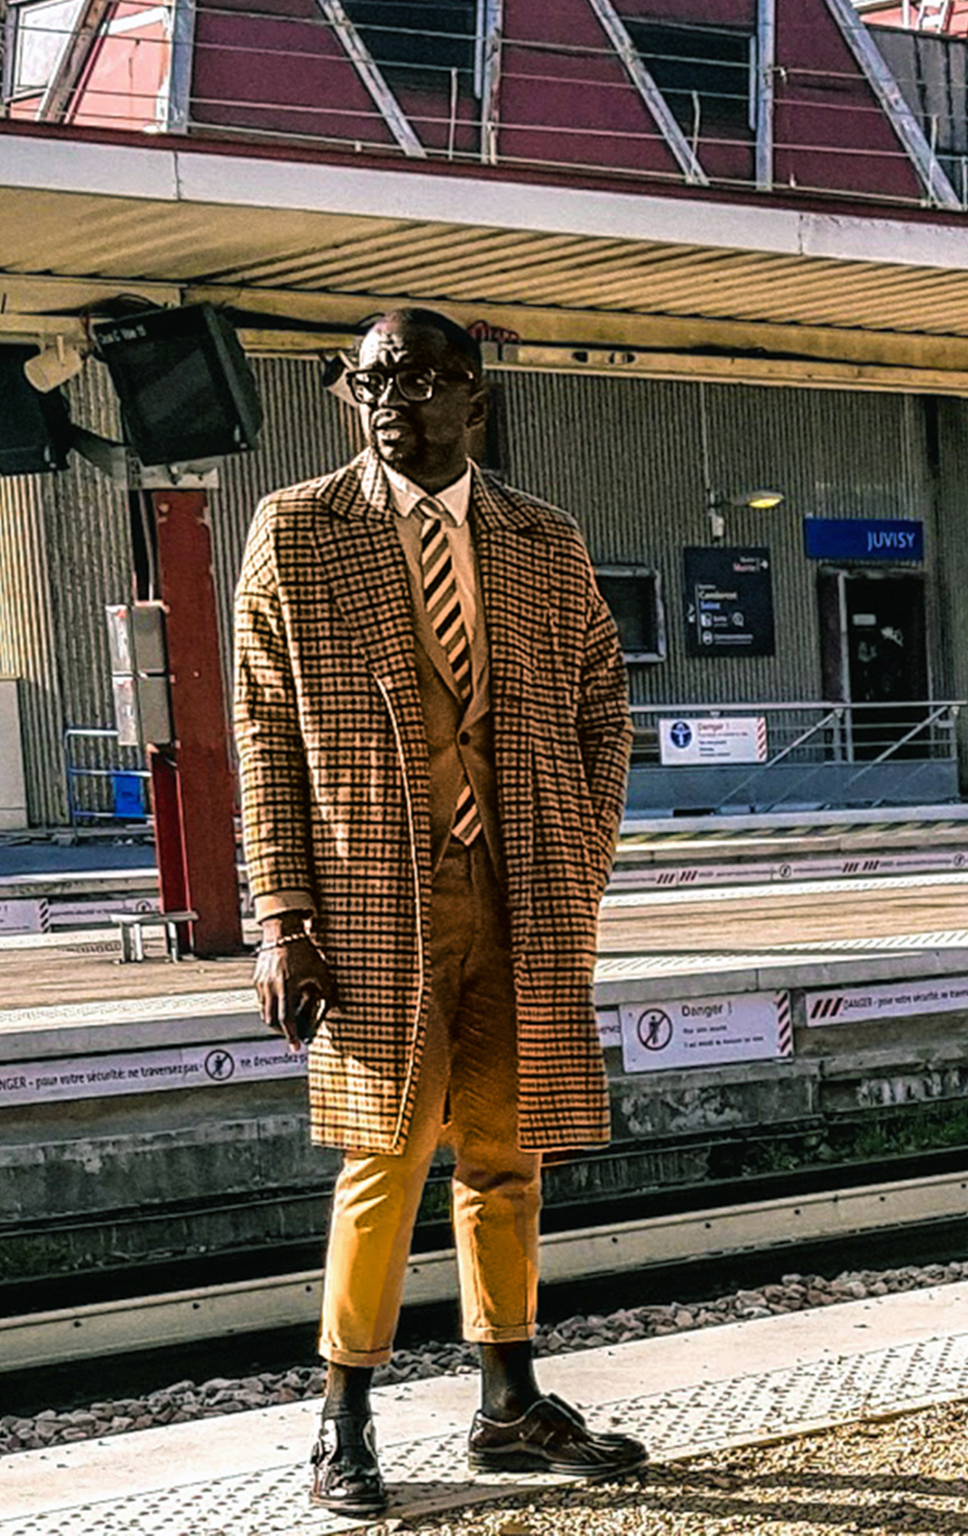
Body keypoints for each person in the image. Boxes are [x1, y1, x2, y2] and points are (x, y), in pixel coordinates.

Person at [236, 308, 641, 1517]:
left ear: (475, 395)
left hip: (519, 887)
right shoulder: (298, 529)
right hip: (365, 900)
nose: (393, 401)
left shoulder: (541, 540)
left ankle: (507, 1400)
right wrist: (281, 913)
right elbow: (263, 730)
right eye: (372, 381)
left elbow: (601, 704)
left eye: (420, 381)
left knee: (507, 1155)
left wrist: (579, 851)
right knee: (384, 1158)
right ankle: (341, 1419)